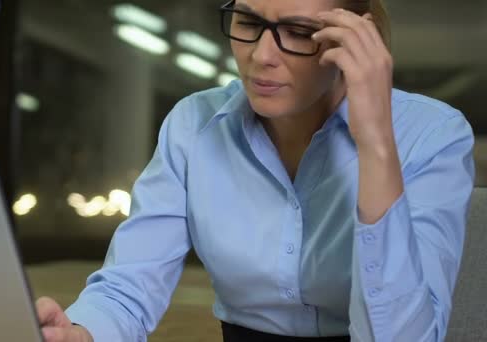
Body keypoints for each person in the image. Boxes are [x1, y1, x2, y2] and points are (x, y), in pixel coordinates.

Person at [36, 0, 476, 341]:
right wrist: (80, 331)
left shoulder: (433, 134)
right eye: (247, 23)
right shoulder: (193, 125)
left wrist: (377, 143)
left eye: (299, 32)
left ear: (358, 41)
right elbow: (128, 288)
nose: (262, 56)